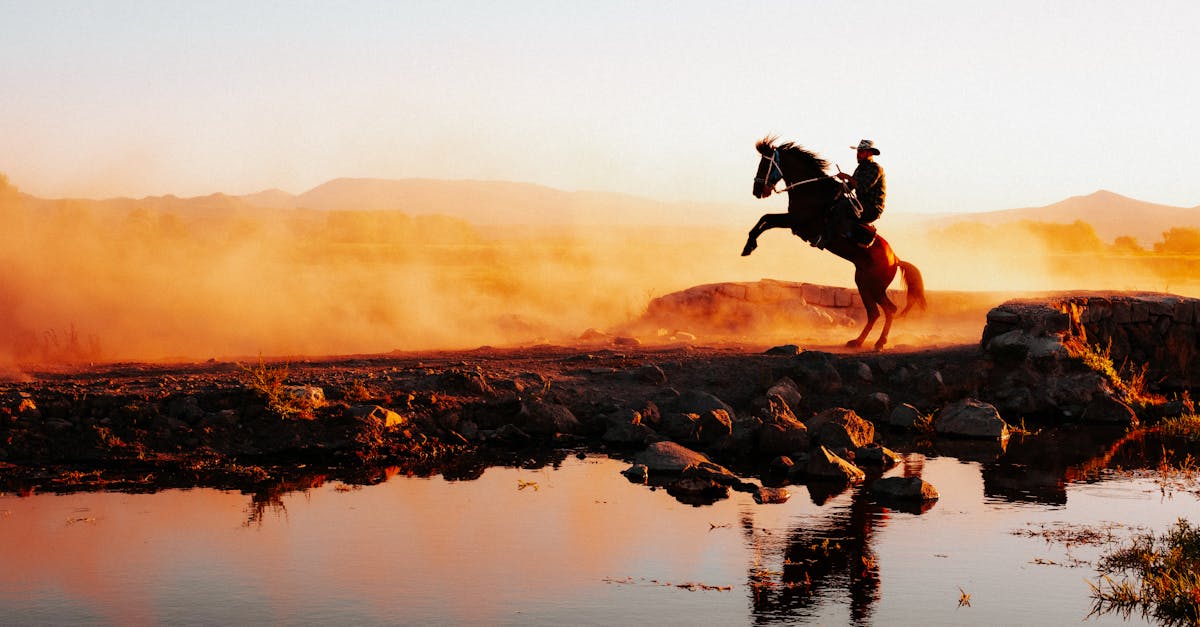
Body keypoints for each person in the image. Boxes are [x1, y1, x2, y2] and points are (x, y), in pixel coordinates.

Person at [816, 139, 886, 248]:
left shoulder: (875, 168)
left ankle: (827, 239)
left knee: (843, 206)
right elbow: (849, 187)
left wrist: (847, 177)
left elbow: (862, 187)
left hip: (872, 209)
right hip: (860, 204)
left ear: (870, 153)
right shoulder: (860, 169)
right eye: (858, 152)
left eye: (861, 152)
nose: (858, 155)